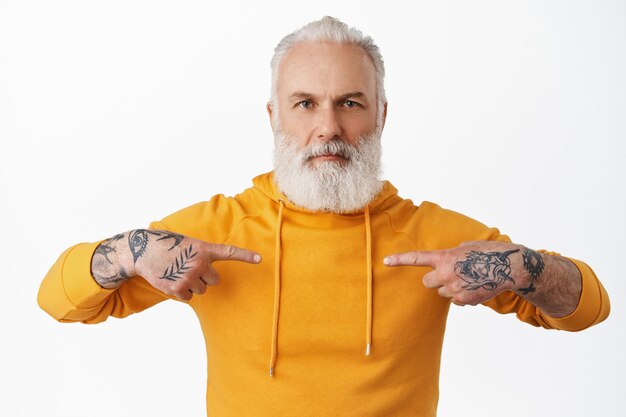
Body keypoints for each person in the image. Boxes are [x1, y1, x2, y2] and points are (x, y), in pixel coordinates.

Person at [37, 16, 610, 417]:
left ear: (381, 115)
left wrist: (524, 268)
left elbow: (590, 309)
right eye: (305, 103)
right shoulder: (216, 230)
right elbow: (57, 302)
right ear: (273, 116)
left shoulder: (435, 237)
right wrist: (130, 250)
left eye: (350, 103)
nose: (329, 128)